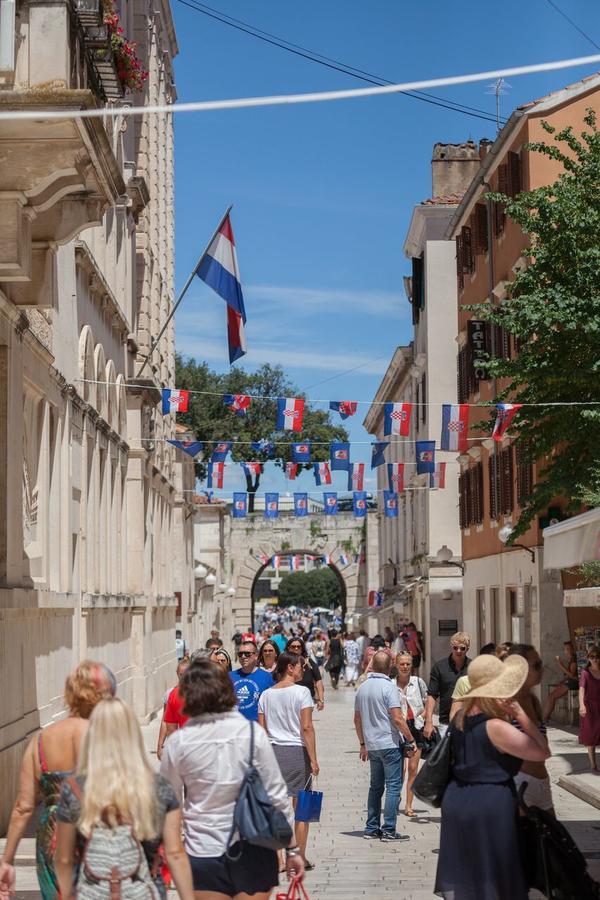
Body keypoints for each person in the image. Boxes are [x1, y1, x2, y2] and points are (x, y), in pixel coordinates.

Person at [161, 659, 303, 899]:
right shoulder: (252, 734)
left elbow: (167, 806)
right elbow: (277, 797)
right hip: (254, 847)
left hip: (203, 850)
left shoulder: (178, 743)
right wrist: (292, 849)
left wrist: (170, 856)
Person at [434, 653, 550, 900]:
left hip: (458, 800)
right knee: (495, 878)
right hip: (489, 803)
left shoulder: (460, 719)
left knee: (472, 878)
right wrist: (520, 715)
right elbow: (542, 751)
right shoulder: (495, 727)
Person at [55, 697, 193, 900]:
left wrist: (68, 894)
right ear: (133, 734)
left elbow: (64, 859)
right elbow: (175, 854)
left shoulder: (75, 789)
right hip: (143, 890)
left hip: (93, 891)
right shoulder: (158, 787)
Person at [0, 661, 116, 900]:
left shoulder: (40, 741)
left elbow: (23, 807)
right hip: (94, 830)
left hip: (51, 835)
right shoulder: (103, 736)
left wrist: (7, 860)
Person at [258, 652, 319, 868]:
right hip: (296, 752)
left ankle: (279, 859)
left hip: (273, 753)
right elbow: (306, 727)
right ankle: (298, 857)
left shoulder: (265, 695)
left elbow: (262, 730)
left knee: (276, 807)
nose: (303, 670)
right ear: (290, 668)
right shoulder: (302, 692)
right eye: (300, 666)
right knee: (301, 807)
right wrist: (313, 759)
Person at [353, 651, 416, 841]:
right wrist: (410, 739)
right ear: (391, 667)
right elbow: (397, 718)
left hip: (372, 744)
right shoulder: (389, 687)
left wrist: (363, 743)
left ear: (372, 666)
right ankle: (389, 829)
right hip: (389, 743)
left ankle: (371, 828)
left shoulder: (362, 688)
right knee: (394, 786)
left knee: (375, 787)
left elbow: (357, 719)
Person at [507, 643, 555, 813]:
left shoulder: (533, 700)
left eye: (540, 664)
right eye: (537, 665)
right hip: (520, 782)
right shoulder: (506, 702)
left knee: (553, 838)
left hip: (542, 782)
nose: (542, 669)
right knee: (525, 837)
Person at [395, 652, 428, 817]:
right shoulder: (391, 684)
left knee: (413, 768)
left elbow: (428, 703)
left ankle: (409, 805)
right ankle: (395, 798)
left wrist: (422, 718)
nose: (405, 667)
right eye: (402, 664)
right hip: (398, 729)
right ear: (396, 665)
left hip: (416, 727)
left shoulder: (418, 682)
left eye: (408, 664)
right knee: (399, 769)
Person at [423, 632, 472, 740]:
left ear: (467, 649)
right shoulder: (439, 667)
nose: (458, 651)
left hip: (469, 722)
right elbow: (432, 695)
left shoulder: (473, 668)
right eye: (455, 648)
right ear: (451, 647)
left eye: (462, 648)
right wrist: (429, 721)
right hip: (445, 723)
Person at [230, 639, 274, 720]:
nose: (243, 656)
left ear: (256, 655)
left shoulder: (268, 677)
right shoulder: (229, 676)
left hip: (256, 728)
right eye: (240, 654)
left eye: (247, 654)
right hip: (234, 727)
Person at [157, 656, 190, 760]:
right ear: (177, 673)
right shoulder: (170, 694)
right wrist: (160, 746)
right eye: (181, 674)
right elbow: (165, 721)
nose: (184, 677)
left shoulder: (198, 693)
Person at [543, 640, 579, 721]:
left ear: (572, 649)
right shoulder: (571, 658)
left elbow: (572, 675)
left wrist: (560, 664)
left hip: (572, 683)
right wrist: (562, 681)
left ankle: (544, 718)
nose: (565, 651)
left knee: (551, 697)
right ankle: (546, 717)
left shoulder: (574, 659)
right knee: (551, 696)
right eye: (565, 649)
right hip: (570, 682)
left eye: (567, 649)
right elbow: (569, 675)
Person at [286, 637, 324, 711]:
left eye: (298, 647)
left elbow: (318, 680)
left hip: (307, 699)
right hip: (288, 699)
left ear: (302, 648)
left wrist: (321, 699)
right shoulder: (284, 661)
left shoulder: (309, 662)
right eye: (293, 647)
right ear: (288, 648)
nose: (296, 648)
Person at [579, 643, 600, 772]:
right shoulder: (585, 673)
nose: (595, 659)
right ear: (588, 658)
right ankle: (593, 764)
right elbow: (581, 689)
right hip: (590, 707)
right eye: (592, 657)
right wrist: (581, 705)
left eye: (597, 656)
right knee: (591, 735)